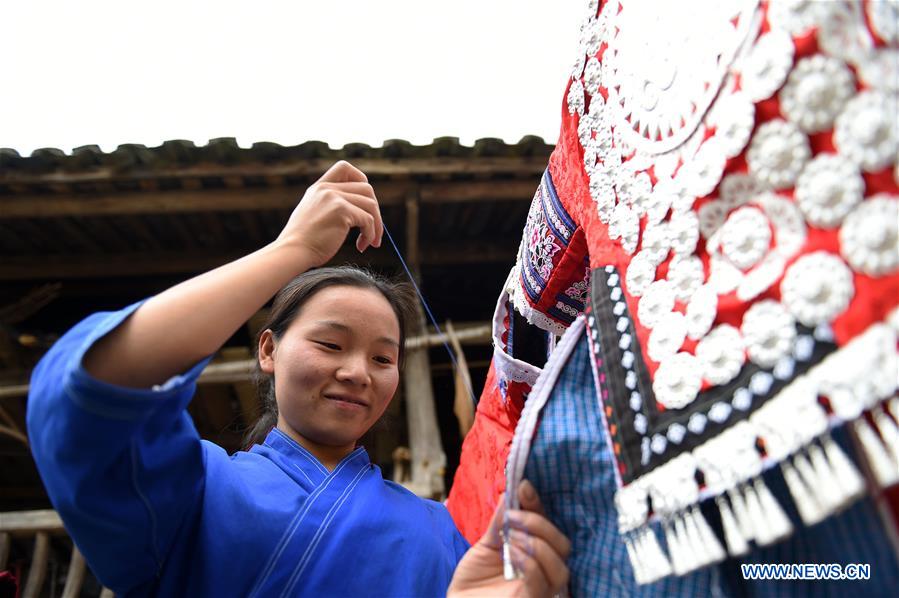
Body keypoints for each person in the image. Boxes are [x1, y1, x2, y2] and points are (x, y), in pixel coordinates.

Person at [26, 160, 571, 597]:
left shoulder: (448, 534)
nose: (358, 372)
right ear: (268, 349)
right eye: (330, 344)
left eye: (384, 359)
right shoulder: (197, 488)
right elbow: (88, 394)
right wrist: (293, 252)